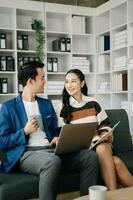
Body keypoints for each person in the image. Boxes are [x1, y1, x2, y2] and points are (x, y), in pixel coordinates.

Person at [0, 61, 99, 200]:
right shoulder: (8, 107)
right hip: (26, 153)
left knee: (90, 157)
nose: (45, 81)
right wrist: (24, 132)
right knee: (52, 161)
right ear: (30, 81)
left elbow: (54, 131)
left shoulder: (46, 104)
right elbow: (2, 141)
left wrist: (57, 138)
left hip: (51, 150)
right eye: (42, 77)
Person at [56, 68, 133, 191]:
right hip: (83, 151)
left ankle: (111, 194)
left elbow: (105, 124)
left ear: (82, 83)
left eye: (73, 81)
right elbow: (63, 134)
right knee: (116, 162)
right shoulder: (62, 107)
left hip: (101, 145)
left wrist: (105, 133)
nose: (69, 85)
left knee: (102, 147)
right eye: (67, 82)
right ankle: (113, 193)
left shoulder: (93, 102)